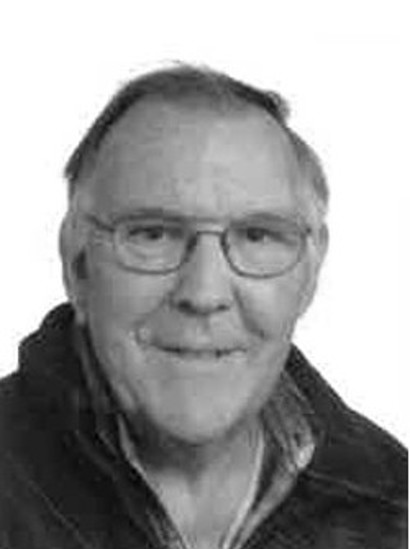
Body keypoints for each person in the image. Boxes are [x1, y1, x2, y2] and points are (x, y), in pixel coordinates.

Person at [0, 65, 406, 549]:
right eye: (154, 234)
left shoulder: (393, 503)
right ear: (77, 265)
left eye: (257, 235)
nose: (204, 293)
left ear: (310, 272)